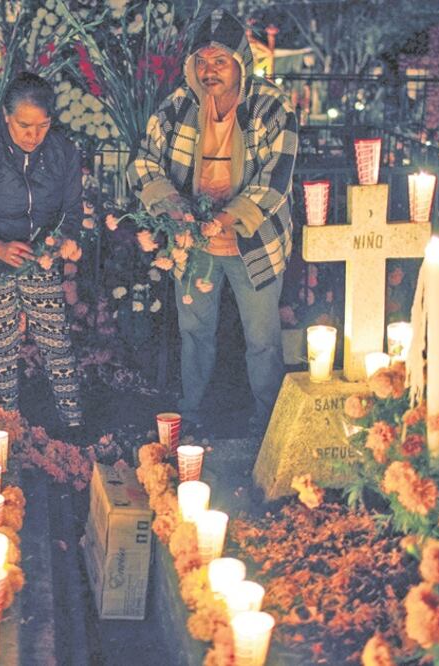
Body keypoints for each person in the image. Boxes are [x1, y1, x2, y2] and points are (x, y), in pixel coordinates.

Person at [128, 9, 298, 431]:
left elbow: (275, 180)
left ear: (240, 61)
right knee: (194, 333)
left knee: (262, 339)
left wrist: (225, 218)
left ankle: (268, 423)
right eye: (201, 62)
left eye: (219, 61)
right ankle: (191, 416)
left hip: (253, 239)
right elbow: (143, 163)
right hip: (193, 239)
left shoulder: (271, 105)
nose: (209, 71)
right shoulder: (178, 106)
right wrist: (172, 206)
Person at [0, 72, 85, 433]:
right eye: (24, 126)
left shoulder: (63, 150)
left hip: (38, 257)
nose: (33, 136)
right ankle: (8, 427)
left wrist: (67, 238)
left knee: (56, 340)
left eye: (42, 126)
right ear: (6, 118)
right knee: (2, 346)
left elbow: (72, 209)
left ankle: (73, 425)